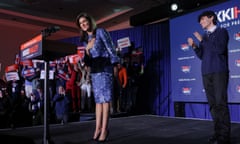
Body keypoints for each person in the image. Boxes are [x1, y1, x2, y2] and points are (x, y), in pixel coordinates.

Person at [187, 10, 231, 144]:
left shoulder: (221, 32)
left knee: (220, 103)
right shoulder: (205, 37)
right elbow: (202, 56)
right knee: (213, 105)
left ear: (211, 18)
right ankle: (218, 133)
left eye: (203, 19)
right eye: (200, 21)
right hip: (206, 73)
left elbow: (219, 49)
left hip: (219, 72)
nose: (201, 22)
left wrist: (201, 40)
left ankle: (224, 136)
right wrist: (195, 47)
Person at [76, 12, 119, 142]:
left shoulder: (100, 31)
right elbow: (87, 61)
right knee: (98, 102)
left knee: (105, 101)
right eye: (81, 23)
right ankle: (97, 129)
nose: (83, 24)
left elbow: (111, 49)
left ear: (90, 21)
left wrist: (115, 66)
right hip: (95, 71)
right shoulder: (85, 39)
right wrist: (87, 50)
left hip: (105, 69)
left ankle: (105, 129)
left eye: (85, 21)